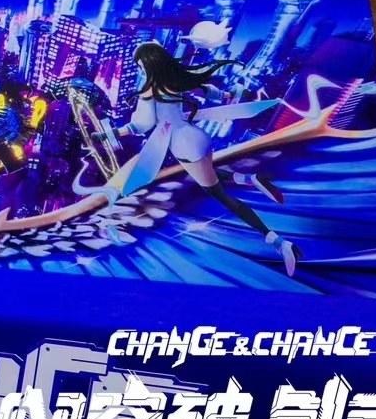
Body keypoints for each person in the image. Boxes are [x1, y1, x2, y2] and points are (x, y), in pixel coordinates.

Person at [110, 40, 297, 276]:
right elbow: (208, 90)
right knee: (202, 173)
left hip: (183, 145)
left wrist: (114, 132)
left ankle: (277, 241)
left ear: (148, 64)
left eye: (141, 66)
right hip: (197, 136)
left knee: (219, 194)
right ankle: (248, 179)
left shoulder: (150, 90)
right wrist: (228, 94)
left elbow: (142, 124)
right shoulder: (176, 79)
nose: (140, 71)